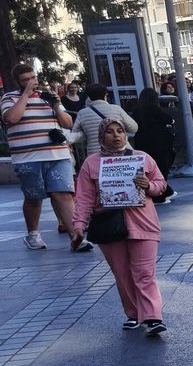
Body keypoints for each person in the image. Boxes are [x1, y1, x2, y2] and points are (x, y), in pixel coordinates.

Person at [70, 119, 168, 335]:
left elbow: (161, 185)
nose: (116, 135)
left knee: (144, 272)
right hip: (109, 226)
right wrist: (78, 225)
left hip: (143, 223)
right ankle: (134, 314)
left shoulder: (142, 158)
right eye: (110, 132)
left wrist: (148, 185)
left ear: (126, 134)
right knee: (122, 274)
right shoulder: (91, 164)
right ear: (101, 136)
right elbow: (84, 197)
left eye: (120, 131)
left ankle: (152, 316)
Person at [3, 63, 82, 251]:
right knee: (34, 197)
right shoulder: (10, 97)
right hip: (28, 157)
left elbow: (68, 123)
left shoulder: (48, 97)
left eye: (33, 78)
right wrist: (25, 95)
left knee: (64, 194)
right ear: (18, 82)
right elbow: (11, 118)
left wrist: (56, 104)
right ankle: (33, 235)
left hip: (58, 154)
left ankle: (76, 236)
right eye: (26, 80)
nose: (31, 82)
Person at [71, 83, 139, 159]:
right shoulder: (116, 109)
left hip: (95, 155)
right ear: (105, 95)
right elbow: (134, 128)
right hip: (120, 153)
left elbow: (75, 136)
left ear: (89, 97)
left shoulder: (82, 113)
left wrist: (88, 132)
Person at [132, 88, 177, 203]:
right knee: (161, 169)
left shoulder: (136, 110)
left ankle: (165, 192)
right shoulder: (154, 108)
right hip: (159, 143)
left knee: (147, 170)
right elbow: (169, 119)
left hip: (142, 143)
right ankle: (160, 195)